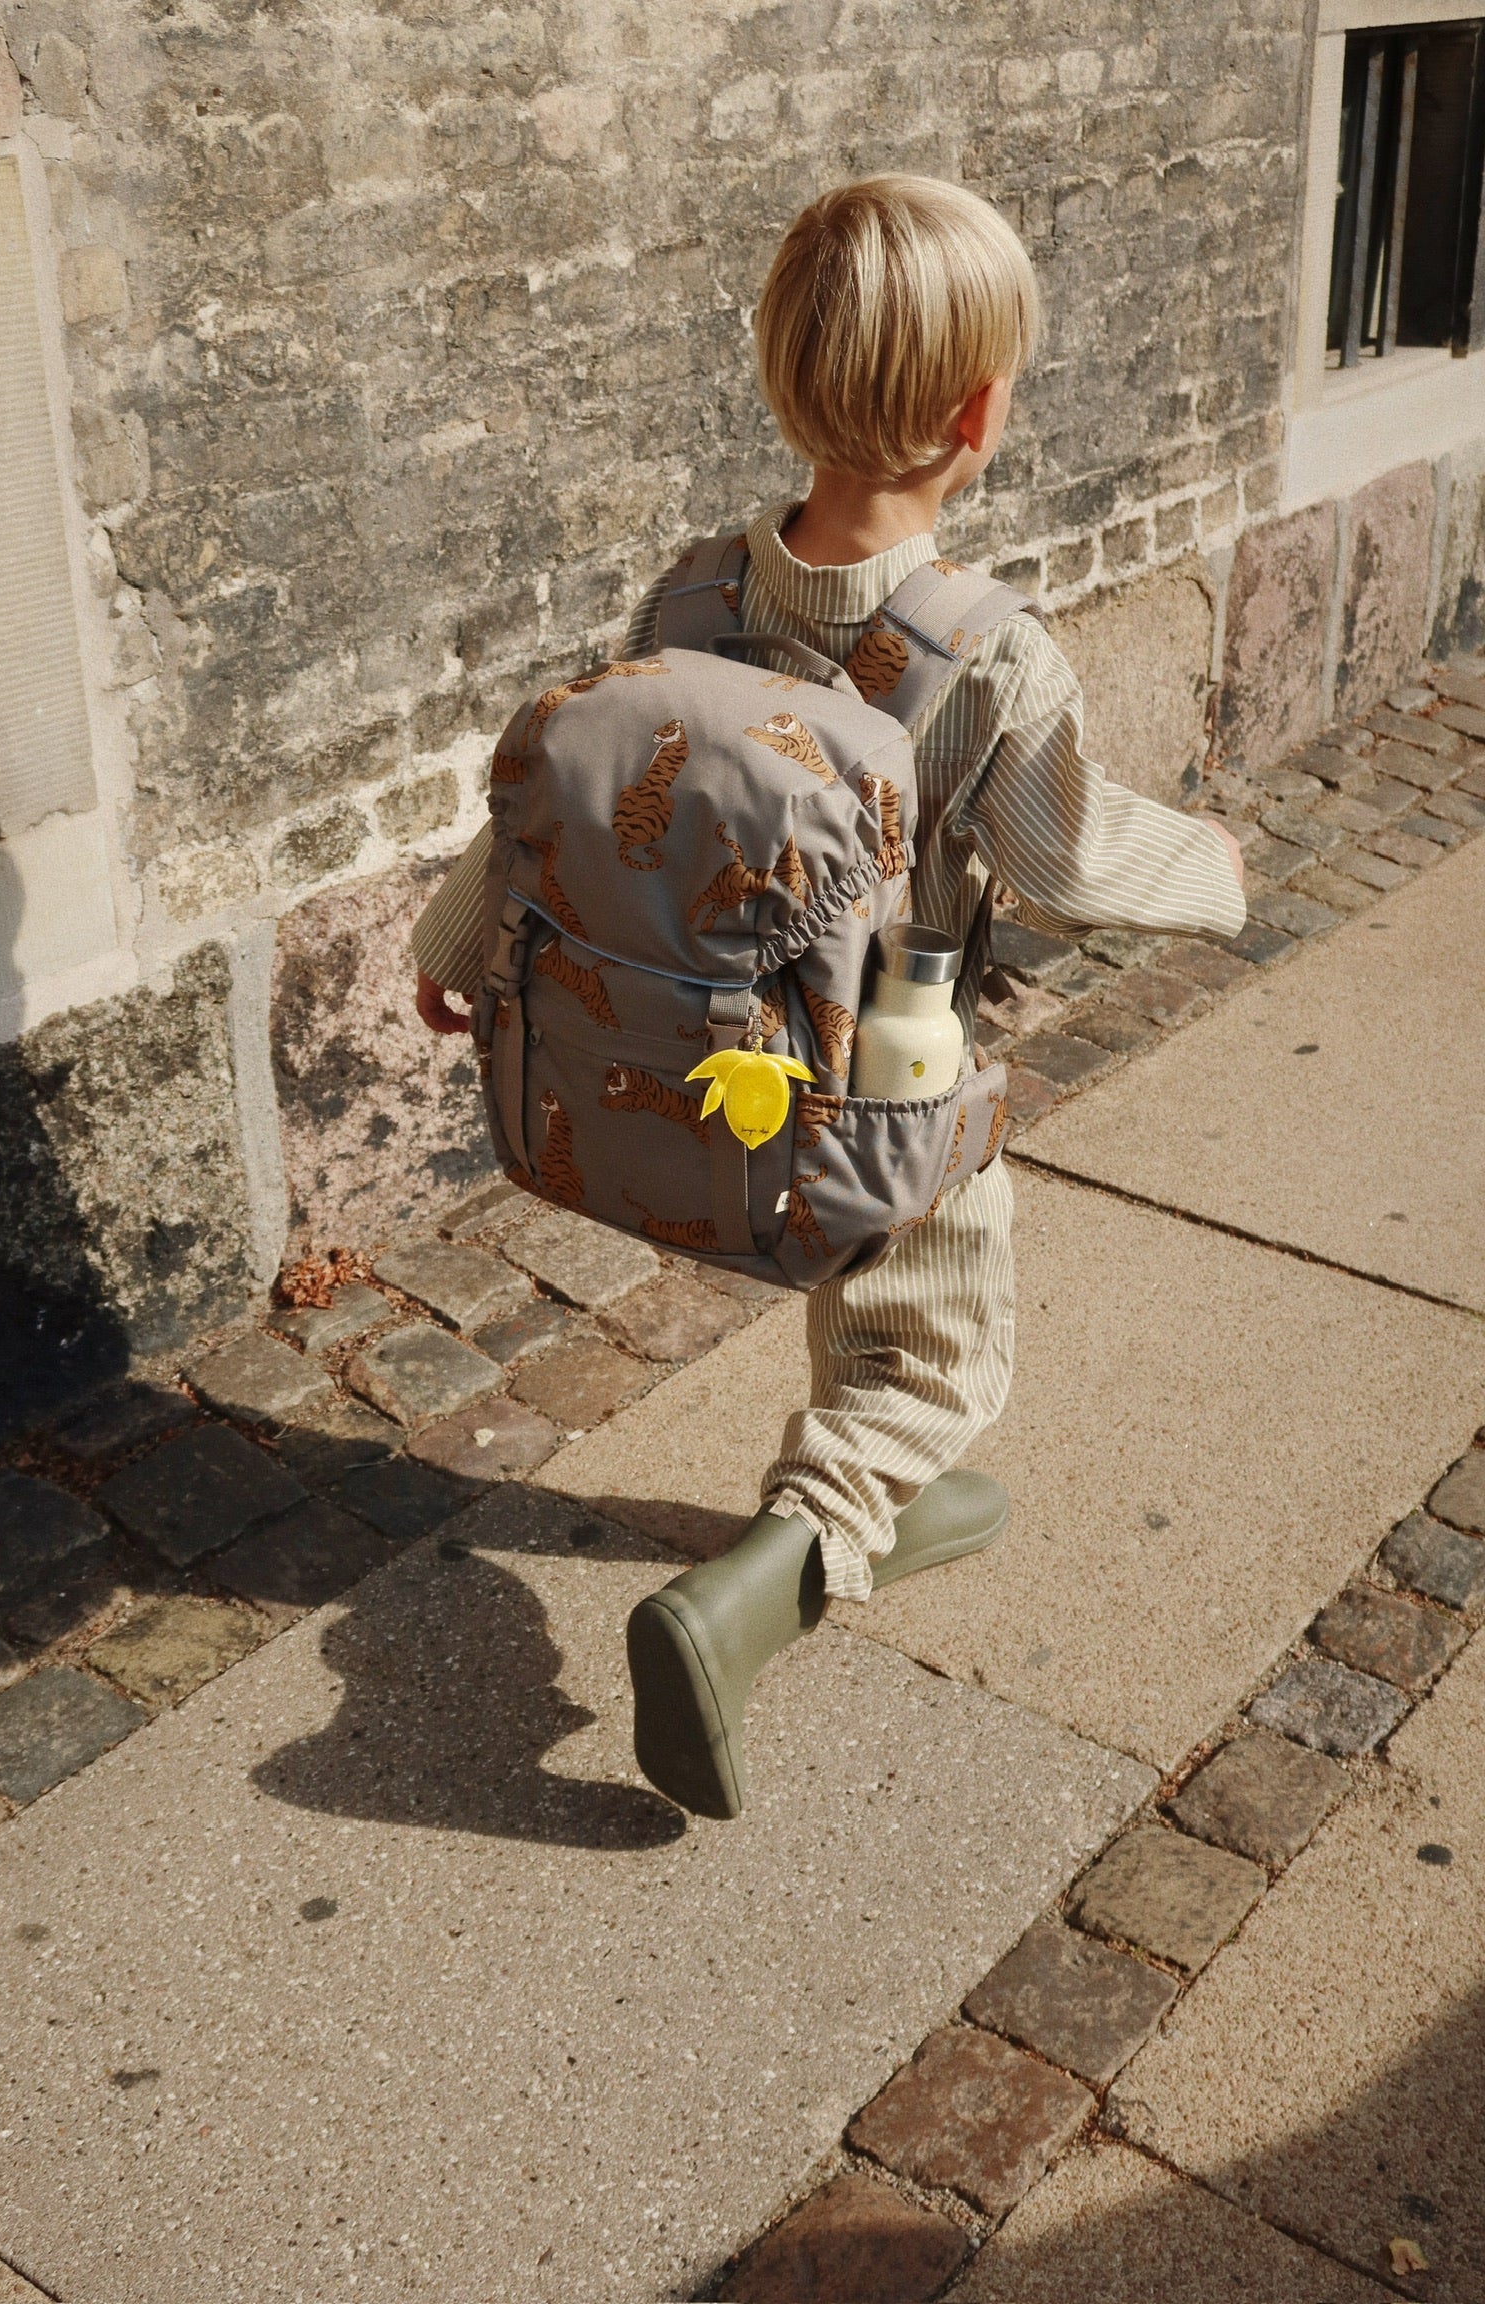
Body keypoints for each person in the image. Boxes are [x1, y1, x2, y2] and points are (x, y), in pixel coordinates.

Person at [411, 175, 1245, 1818]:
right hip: (885, 1082)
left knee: (863, 1298)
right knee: (932, 1345)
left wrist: (458, 944)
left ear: (781, 380)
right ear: (979, 414)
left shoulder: (693, 595)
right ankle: (753, 1587)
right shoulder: (991, 655)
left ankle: (884, 1514)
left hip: (713, 1070)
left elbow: (573, 795)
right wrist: (1211, 867)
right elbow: (1066, 865)